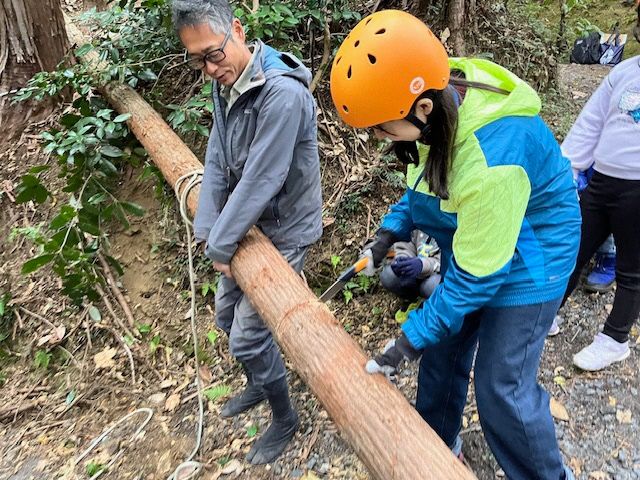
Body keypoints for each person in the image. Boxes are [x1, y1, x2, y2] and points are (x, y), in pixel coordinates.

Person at [330, 10, 580, 479]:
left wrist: (408, 340)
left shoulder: (491, 160)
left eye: (383, 128)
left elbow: (475, 277)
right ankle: (437, 451)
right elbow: (425, 183)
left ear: (421, 109)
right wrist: (387, 236)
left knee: (500, 385)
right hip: (483, 234)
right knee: (442, 354)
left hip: (535, 253)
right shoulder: (440, 95)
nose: (379, 139)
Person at [171, 0, 322, 464]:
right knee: (223, 314)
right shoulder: (226, 79)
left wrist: (223, 241)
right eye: (196, 59)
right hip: (251, 224)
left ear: (237, 30)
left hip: (286, 226)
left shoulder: (282, 93)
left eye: (213, 54)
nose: (208, 68)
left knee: (247, 336)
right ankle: (260, 381)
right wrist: (209, 229)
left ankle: (285, 417)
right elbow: (217, 154)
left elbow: (263, 176)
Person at [552, 54, 640, 371]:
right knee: (573, 250)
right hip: (602, 180)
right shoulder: (625, 70)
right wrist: (569, 165)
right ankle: (546, 313)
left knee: (632, 269)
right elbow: (593, 119)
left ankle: (615, 340)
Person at [375, 230, 441, 300]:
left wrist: (422, 265)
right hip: (413, 267)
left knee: (433, 286)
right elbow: (406, 242)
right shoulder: (420, 220)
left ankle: (431, 303)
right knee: (388, 275)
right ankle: (410, 298)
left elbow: (448, 261)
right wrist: (404, 260)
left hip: (435, 273)